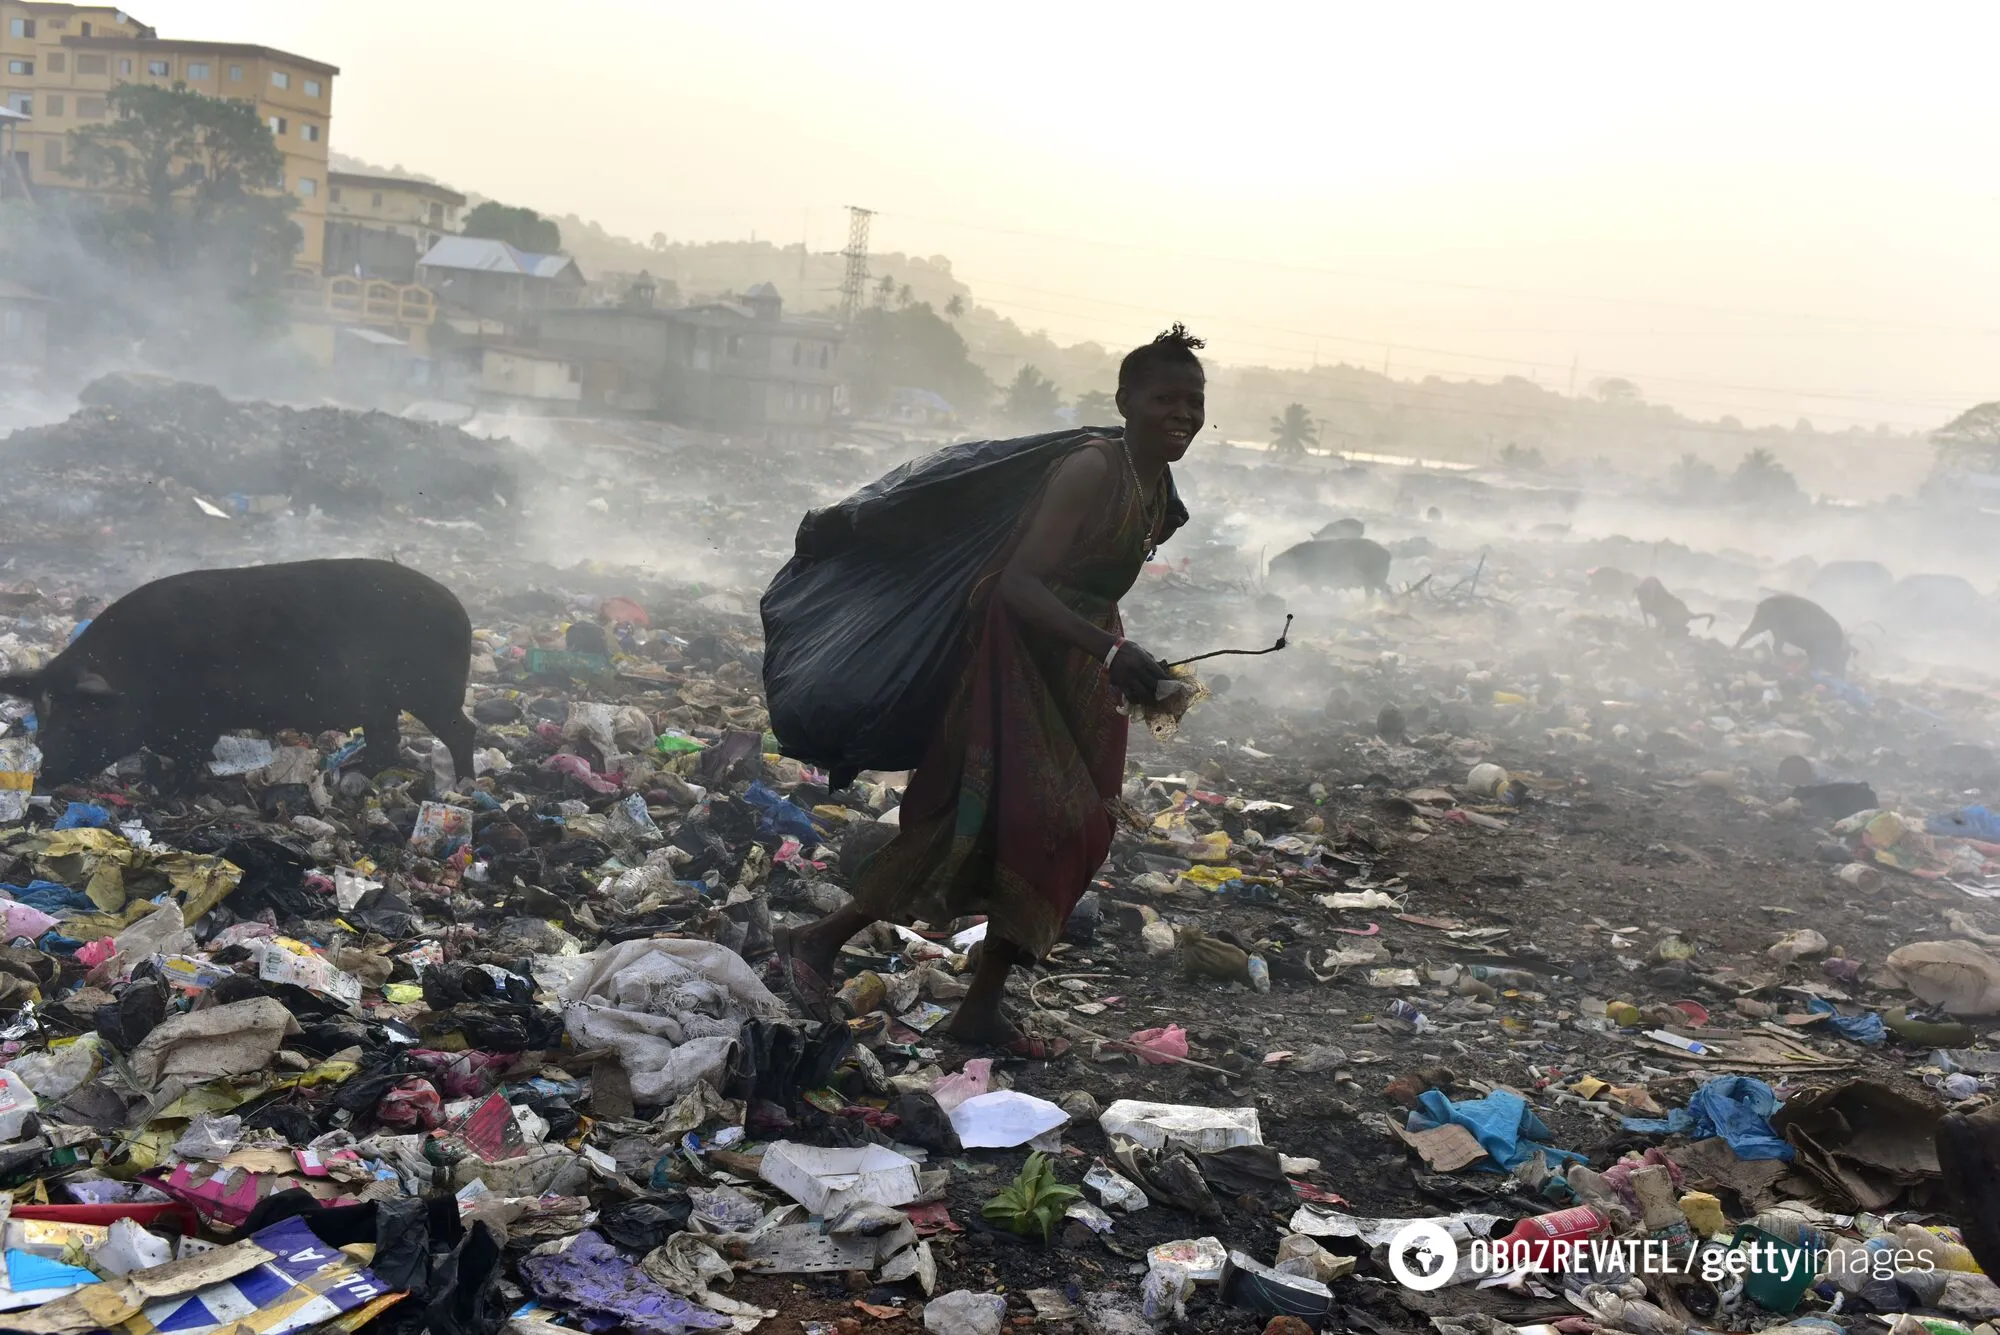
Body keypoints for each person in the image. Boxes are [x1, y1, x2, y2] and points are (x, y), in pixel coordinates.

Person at [775, 324, 1206, 1056]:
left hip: (1077, 674)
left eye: (1195, 402)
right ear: (1125, 400)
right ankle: (813, 941)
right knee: (973, 819)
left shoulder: (1155, 487)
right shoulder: (1091, 470)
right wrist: (1111, 650)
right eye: (1166, 398)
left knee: (1071, 831)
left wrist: (1137, 667)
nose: (1184, 415)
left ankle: (980, 1007)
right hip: (1012, 663)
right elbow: (1016, 583)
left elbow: (1093, 592)